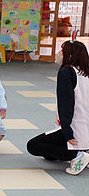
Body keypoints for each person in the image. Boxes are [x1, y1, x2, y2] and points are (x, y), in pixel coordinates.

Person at [27, 40, 89, 175]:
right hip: (86, 129)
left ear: (70, 56)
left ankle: (76, 155)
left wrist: (68, 133)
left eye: (62, 51)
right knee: (49, 155)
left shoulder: (66, 72)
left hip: (74, 128)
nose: (59, 54)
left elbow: (66, 105)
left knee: (33, 146)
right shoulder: (85, 72)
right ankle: (84, 151)